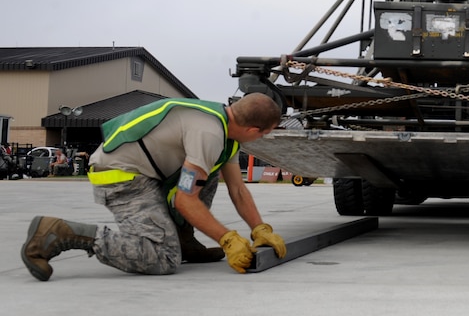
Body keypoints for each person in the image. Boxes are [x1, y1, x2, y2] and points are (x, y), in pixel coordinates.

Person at [21, 93, 288, 281]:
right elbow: (185, 199)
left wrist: (259, 229)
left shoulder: (224, 131)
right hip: (121, 178)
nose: (263, 138)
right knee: (162, 258)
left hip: (148, 175)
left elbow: (238, 189)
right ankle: (60, 232)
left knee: (208, 173)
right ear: (254, 129)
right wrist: (227, 239)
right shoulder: (209, 132)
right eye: (265, 133)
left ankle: (184, 241)